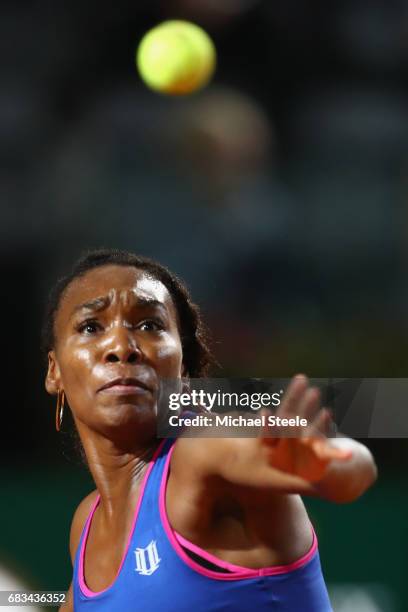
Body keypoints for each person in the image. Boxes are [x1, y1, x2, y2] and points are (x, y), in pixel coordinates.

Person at [42, 248, 377, 611]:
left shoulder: (202, 452)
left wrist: (323, 464)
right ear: (54, 371)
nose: (122, 347)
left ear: (183, 371)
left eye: (149, 325)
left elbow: (352, 465)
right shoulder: (86, 527)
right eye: (91, 327)